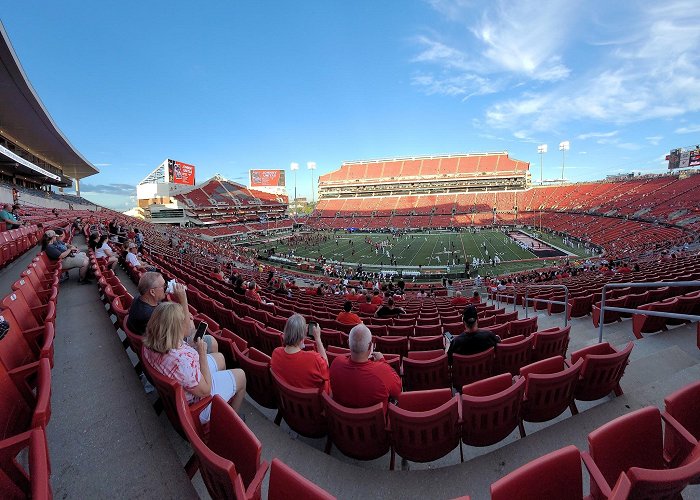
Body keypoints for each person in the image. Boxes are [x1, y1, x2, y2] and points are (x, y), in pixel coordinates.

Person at [142, 302, 246, 423]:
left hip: (184, 381)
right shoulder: (183, 361)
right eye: (185, 318)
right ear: (178, 327)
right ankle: (230, 421)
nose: (190, 318)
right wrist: (202, 353)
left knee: (220, 358)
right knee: (241, 376)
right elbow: (206, 390)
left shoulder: (149, 343)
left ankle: (222, 402)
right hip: (196, 404)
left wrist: (189, 346)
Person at [329, 324, 401, 410]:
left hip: (340, 420)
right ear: (370, 346)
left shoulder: (336, 363)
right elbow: (397, 392)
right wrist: (382, 361)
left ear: (348, 343)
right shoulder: (383, 372)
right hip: (376, 422)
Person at [270, 314, 329, 392]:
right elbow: (326, 366)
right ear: (303, 335)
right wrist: (318, 339)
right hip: (313, 402)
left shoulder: (276, 353)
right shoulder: (313, 358)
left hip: (286, 400)